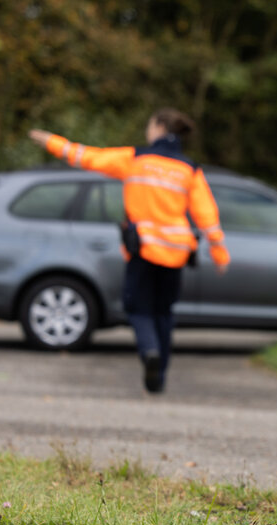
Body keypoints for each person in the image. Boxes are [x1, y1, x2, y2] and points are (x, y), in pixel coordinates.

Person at [28, 108, 230, 394]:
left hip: (143, 250)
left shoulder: (136, 159)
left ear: (159, 128)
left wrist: (50, 141)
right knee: (164, 312)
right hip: (175, 253)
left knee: (137, 307)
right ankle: (159, 376)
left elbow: (86, 156)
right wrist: (220, 254)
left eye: (150, 126)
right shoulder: (189, 169)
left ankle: (149, 351)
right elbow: (207, 215)